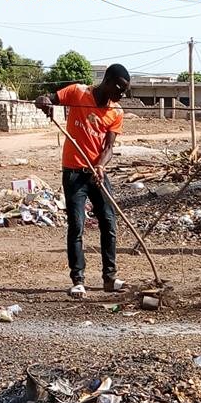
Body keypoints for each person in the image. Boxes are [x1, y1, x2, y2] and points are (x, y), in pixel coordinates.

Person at [35, 64, 130, 298]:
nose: (121, 94)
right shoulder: (77, 92)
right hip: (74, 172)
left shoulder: (116, 112)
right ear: (107, 80)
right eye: (119, 88)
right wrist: (44, 102)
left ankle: (110, 277)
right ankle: (78, 279)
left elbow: (108, 147)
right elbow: (47, 98)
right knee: (76, 225)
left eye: (125, 91)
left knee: (109, 223)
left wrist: (100, 166)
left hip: (97, 173)